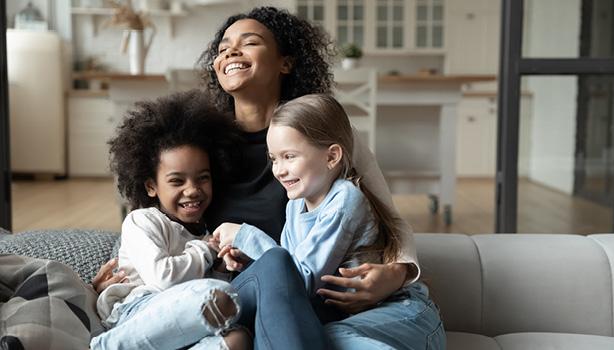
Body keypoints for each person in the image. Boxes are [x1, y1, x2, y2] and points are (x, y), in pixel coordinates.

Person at [96, 6, 445, 349]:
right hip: (242, 295)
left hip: (316, 303)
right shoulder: (200, 149)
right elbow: (158, 221)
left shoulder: (324, 138)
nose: (231, 51)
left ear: (286, 62)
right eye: (222, 48)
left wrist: (398, 273)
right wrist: (117, 285)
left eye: (250, 42)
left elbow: (389, 219)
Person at [212, 94, 409, 326]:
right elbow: (290, 261)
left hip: (347, 314)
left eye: (289, 157)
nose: (279, 170)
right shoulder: (296, 203)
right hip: (315, 307)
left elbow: (300, 280)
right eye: (274, 159)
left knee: (239, 312)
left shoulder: (345, 200)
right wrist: (249, 254)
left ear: (332, 156)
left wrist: (246, 236)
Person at [90, 91, 250, 350]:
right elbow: (164, 279)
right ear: (151, 186)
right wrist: (206, 250)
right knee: (218, 298)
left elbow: (203, 287)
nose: (192, 190)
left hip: (186, 323)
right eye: (177, 181)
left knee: (238, 339)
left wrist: (221, 269)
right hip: (139, 310)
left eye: (203, 178)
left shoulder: (206, 231)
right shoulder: (141, 221)